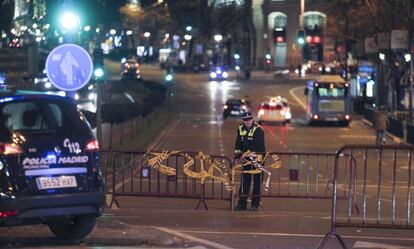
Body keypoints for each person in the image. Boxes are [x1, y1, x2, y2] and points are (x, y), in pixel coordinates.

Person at [233, 112, 266, 211]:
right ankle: (242, 204)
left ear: (252, 119)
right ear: (243, 120)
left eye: (249, 120)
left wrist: (247, 153)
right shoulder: (240, 128)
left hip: (258, 160)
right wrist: (237, 155)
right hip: (246, 160)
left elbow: (258, 146)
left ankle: (255, 205)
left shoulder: (258, 129)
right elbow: (238, 143)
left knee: (257, 182)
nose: (248, 122)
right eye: (246, 120)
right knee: (245, 182)